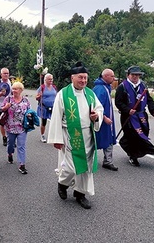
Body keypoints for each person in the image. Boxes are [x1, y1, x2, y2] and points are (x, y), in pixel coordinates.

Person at [47, 62, 103, 209]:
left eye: (85, 78)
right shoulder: (63, 94)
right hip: (71, 134)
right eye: (80, 78)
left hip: (87, 135)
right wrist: (56, 139)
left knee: (86, 167)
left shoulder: (90, 94)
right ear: (72, 77)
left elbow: (99, 109)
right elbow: (56, 117)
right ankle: (63, 183)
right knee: (71, 167)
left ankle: (80, 194)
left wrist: (96, 117)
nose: (83, 81)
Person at [114, 65, 154, 167]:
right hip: (128, 117)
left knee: (142, 135)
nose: (135, 77)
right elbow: (118, 102)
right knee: (132, 136)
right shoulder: (122, 87)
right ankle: (133, 156)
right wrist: (128, 110)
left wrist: (153, 110)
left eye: (137, 75)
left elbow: (149, 99)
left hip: (141, 116)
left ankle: (134, 149)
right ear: (128, 75)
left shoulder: (142, 86)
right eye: (133, 75)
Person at [1, 81, 31, 174]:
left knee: (21, 146)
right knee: (11, 144)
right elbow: (2, 109)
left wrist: (29, 115)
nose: (14, 90)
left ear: (21, 90)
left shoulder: (25, 100)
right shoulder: (8, 99)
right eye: (13, 88)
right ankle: (10, 154)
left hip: (22, 127)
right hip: (10, 127)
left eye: (16, 89)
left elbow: (29, 110)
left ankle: (22, 164)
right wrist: (6, 107)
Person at [93, 69, 118, 171]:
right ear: (106, 76)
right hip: (101, 120)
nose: (114, 78)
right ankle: (90, 160)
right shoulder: (100, 89)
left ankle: (108, 161)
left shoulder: (106, 87)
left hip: (107, 120)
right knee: (96, 139)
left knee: (108, 139)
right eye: (112, 76)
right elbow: (96, 106)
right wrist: (104, 117)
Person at [0, 68, 12, 146]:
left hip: (9, 106)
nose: (6, 75)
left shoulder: (10, 82)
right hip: (0, 107)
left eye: (7, 73)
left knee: (10, 123)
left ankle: (10, 138)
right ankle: (4, 137)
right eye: (4, 73)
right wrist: (0, 94)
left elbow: (11, 94)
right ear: (1, 75)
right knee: (2, 123)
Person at [35, 73, 57, 143]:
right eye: (49, 79)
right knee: (44, 122)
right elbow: (36, 98)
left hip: (53, 107)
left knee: (54, 122)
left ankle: (53, 135)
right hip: (44, 107)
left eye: (52, 79)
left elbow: (56, 95)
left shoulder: (54, 87)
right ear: (45, 80)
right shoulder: (42, 87)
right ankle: (42, 135)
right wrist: (39, 96)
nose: (51, 80)